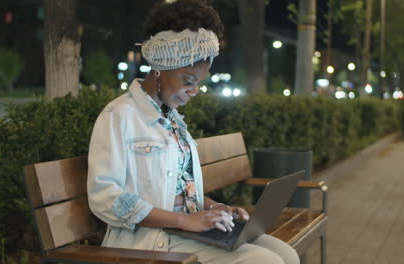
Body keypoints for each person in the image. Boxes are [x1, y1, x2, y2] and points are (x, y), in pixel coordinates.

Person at [87, 1, 299, 263]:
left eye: (198, 82)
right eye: (188, 80)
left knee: (287, 255)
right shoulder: (119, 116)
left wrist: (216, 208)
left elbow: (180, 190)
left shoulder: (174, 122)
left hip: (184, 233)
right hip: (148, 241)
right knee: (268, 262)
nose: (194, 90)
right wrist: (184, 221)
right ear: (159, 67)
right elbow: (105, 198)